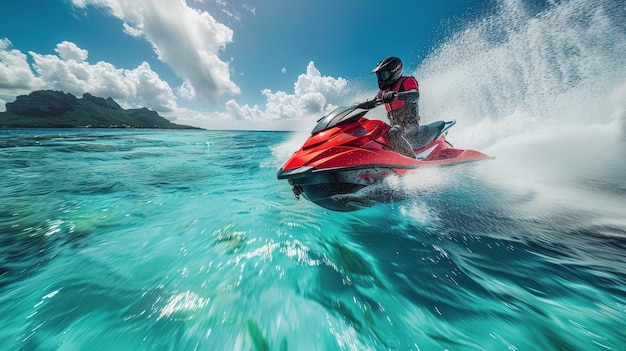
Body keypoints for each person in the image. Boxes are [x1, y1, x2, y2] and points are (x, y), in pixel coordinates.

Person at [371, 56, 421, 158]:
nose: (380, 79)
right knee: (376, 132)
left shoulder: (407, 81)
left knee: (393, 134)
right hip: (395, 125)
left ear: (395, 71)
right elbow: (374, 101)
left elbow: (415, 95)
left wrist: (397, 95)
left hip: (410, 124)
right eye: (379, 76)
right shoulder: (383, 92)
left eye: (383, 75)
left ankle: (413, 161)